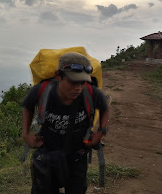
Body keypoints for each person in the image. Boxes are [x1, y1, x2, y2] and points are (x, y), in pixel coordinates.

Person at [22, 52, 109, 194]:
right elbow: (28, 106)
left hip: (78, 155)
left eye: (82, 82)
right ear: (58, 76)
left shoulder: (90, 93)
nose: (78, 88)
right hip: (48, 153)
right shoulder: (43, 91)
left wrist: (101, 132)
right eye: (73, 82)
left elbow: (105, 107)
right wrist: (26, 135)